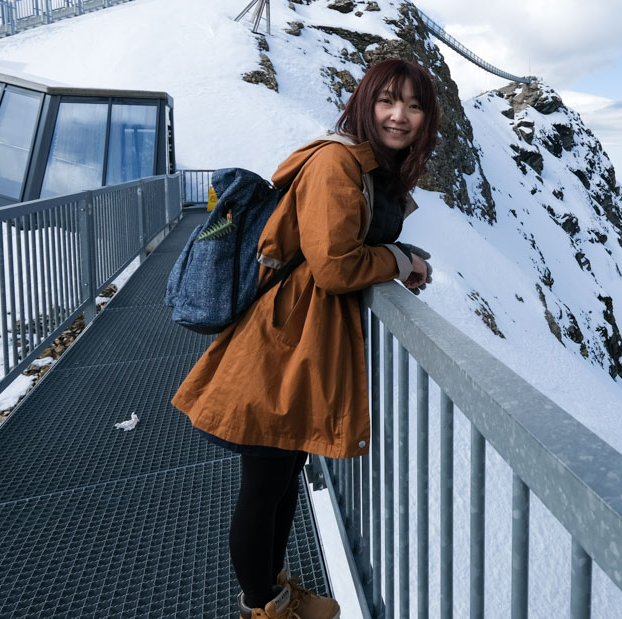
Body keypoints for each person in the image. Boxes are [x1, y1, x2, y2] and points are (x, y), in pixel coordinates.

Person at [172, 58, 439, 619]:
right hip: (282, 342)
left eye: (414, 106)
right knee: (266, 479)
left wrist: (397, 259)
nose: (400, 115)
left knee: (283, 471)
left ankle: (272, 590)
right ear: (365, 101)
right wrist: (399, 258)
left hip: (303, 339)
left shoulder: (363, 164)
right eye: (389, 100)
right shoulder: (337, 162)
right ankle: (262, 607)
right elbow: (335, 267)